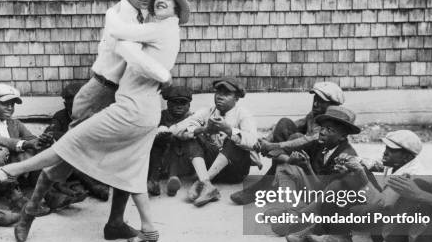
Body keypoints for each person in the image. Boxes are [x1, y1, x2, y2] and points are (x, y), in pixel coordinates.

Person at [0, 0, 190, 242]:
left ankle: (11, 172)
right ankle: (29, 215)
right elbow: (147, 26)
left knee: (84, 151)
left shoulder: (153, 23)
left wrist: (147, 60)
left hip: (131, 105)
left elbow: (133, 34)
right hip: (105, 94)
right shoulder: (134, 16)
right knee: (83, 159)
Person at [289, 130, 424, 242]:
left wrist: (360, 175)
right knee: (342, 181)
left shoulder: (410, 175)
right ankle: (332, 234)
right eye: (386, 147)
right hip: (385, 216)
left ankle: (320, 229)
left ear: (407, 157)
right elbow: (375, 164)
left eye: (392, 150)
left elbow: (382, 204)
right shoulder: (399, 162)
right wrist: (351, 161)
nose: (385, 152)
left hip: (396, 235)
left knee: (355, 180)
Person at [231, 81, 345, 205]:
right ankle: (275, 180)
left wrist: (273, 146)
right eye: (315, 99)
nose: (316, 103)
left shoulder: (334, 123)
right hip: (301, 158)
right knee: (284, 123)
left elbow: (308, 139)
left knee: (296, 137)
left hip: (314, 169)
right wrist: (266, 140)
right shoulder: (314, 115)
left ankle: (267, 185)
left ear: (333, 105)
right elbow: (293, 125)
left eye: (321, 101)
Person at [275, 105, 361, 242]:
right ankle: (292, 210)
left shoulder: (346, 156)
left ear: (342, 137)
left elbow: (327, 192)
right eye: (322, 127)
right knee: (285, 167)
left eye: (330, 130)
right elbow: (276, 153)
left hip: (329, 204)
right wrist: (290, 159)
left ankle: (302, 221)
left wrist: (307, 168)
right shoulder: (319, 144)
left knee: (280, 226)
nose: (323, 132)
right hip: (315, 197)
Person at [171, 78, 258, 207]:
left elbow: (252, 142)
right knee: (193, 135)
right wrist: (203, 129)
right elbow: (175, 129)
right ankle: (207, 185)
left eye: (226, 94)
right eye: (218, 93)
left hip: (235, 171)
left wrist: (228, 130)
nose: (220, 97)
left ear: (237, 98)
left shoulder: (243, 114)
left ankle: (200, 183)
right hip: (210, 169)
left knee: (232, 139)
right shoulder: (207, 111)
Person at [0, 83, 52, 209]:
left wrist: (41, 141)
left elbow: (30, 139)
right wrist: (25, 144)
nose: (10, 107)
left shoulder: (14, 123)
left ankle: (50, 195)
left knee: (34, 149)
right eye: (5, 103)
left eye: (12, 104)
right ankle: (16, 200)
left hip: (12, 176)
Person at [42, 82, 109, 202]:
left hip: (91, 156)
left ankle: (86, 186)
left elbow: (94, 140)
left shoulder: (93, 114)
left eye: (75, 99)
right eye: (68, 100)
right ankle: (91, 186)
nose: (72, 103)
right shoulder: (60, 115)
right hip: (70, 156)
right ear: (64, 103)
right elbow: (50, 133)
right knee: (67, 155)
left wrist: (69, 138)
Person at [147, 85, 193, 197]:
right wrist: (159, 135)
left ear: (188, 105)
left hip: (182, 160)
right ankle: (154, 180)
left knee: (176, 139)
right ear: (168, 104)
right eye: (175, 103)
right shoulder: (161, 116)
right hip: (160, 160)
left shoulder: (192, 118)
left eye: (183, 103)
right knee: (159, 142)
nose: (179, 106)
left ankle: (173, 179)